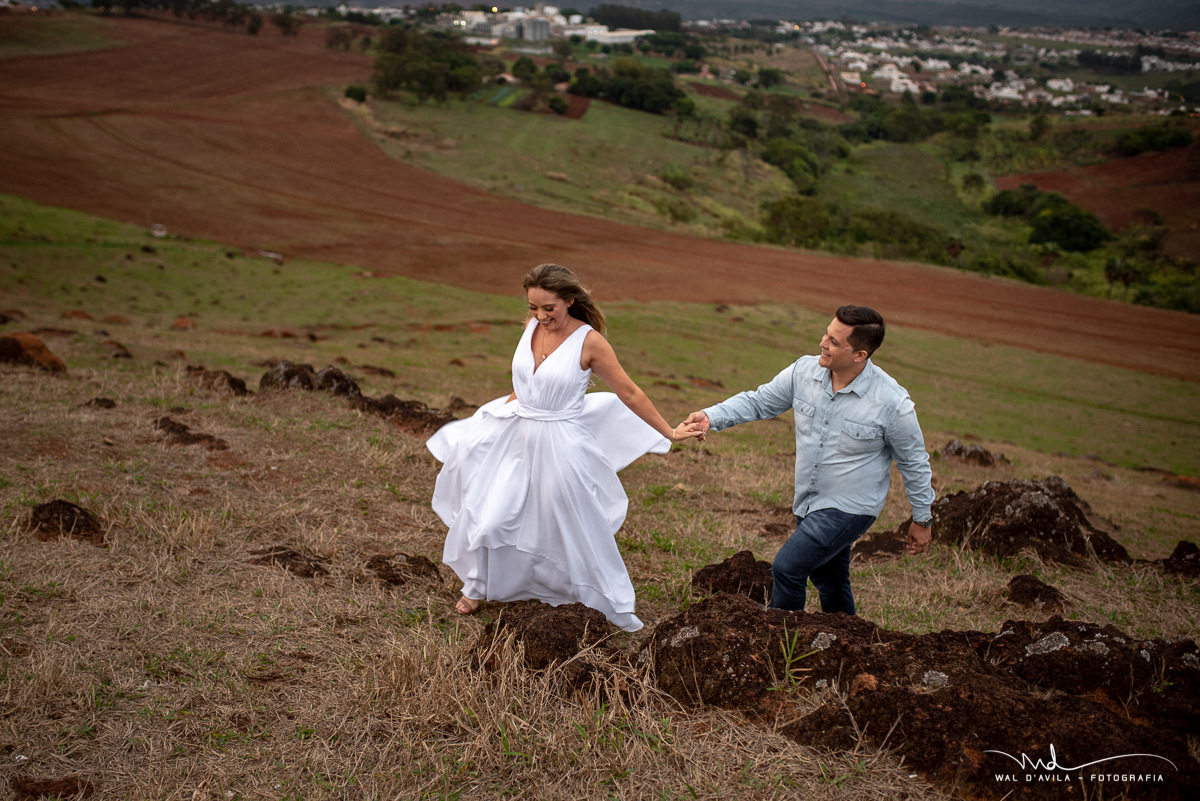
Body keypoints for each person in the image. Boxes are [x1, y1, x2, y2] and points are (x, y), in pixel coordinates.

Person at [426, 263, 701, 631]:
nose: (540, 316)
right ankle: (477, 584)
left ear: (569, 301)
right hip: (517, 436)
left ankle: (597, 596)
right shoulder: (530, 329)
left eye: (548, 309)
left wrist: (669, 431)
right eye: (533, 308)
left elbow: (629, 392)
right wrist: (495, 419)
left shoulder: (589, 342)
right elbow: (525, 381)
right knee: (491, 515)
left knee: (569, 521)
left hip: (562, 445)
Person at [683, 305, 934, 615]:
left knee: (788, 567)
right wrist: (711, 416)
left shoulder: (892, 403)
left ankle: (778, 639)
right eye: (826, 334)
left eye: (834, 341)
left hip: (851, 507)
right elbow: (759, 401)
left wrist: (922, 519)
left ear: (860, 355)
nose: (822, 343)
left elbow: (914, 462)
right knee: (829, 578)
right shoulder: (803, 371)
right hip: (809, 500)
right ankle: (846, 639)